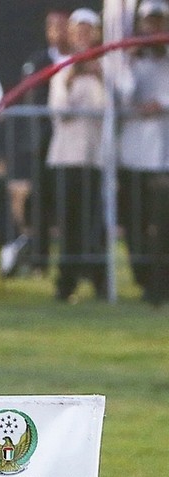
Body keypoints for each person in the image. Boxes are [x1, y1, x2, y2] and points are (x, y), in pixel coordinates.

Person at [4, 10, 71, 277]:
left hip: (76, 146)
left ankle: (77, 262)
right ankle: (39, 261)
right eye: (52, 27)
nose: (58, 32)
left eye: (63, 26)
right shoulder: (38, 61)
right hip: (43, 144)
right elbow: (34, 98)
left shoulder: (88, 59)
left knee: (74, 204)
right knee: (41, 204)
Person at [46, 8, 106, 303]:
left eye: (88, 30)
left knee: (96, 222)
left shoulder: (108, 65)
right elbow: (58, 111)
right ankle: (65, 284)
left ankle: (100, 282)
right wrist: (70, 79)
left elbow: (118, 106)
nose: (83, 35)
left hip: (97, 156)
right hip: (67, 156)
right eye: (78, 30)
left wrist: (101, 76)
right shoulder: (61, 66)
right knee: (69, 223)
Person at [118, 0, 169, 306]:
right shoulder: (128, 59)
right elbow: (121, 93)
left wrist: (161, 104)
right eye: (148, 23)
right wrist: (130, 60)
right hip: (134, 154)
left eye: (159, 22)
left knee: (162, 225)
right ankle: (144, 279)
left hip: (164, 156)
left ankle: (160, 285)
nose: (154, 29)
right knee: (134, 223)